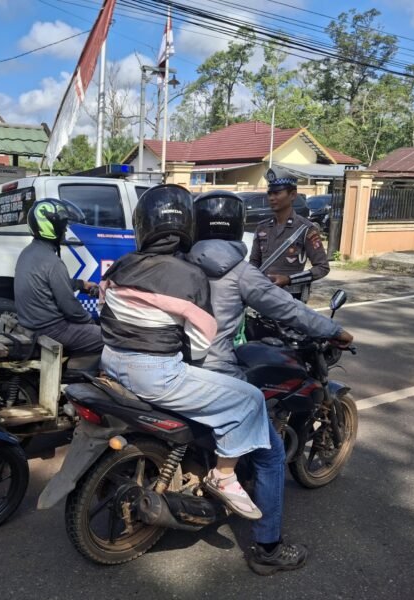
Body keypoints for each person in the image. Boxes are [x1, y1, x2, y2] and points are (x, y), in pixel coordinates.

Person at [186, 190, 354, 575]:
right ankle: (268, 547)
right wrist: (335, 330)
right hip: (216, 368)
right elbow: (288, 307)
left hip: (174, 366)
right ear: (236, 226)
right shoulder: (239, 269)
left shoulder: (179, 260)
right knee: (271, 452)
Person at [99, 184, 269, 520]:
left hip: (110, 362)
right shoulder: (191, 275)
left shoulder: (119, 266)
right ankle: (223, 476)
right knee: (251, 399)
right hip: (157, 375)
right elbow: (200, 343)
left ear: (143, 225)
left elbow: (104, 309)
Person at [14, 198, 103, 355]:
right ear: (52, 228)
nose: (66, 231)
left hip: (32, 324)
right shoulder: (53, 262)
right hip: (53, 329)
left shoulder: (27, 253)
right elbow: (70, 308)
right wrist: (90, 322)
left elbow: (47, 283)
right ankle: (87, 374)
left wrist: (82, 285)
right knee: (109, 338)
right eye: (64, 227)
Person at [249, 167, 330, 302]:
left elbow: (322, 268)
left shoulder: (305, 229)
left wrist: (289, 280)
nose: (272, 198)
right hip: (263, 298)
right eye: (270, 194)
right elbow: (254, 263)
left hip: (291, 300)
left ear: (292, 195)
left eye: (277, 193)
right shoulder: (262, 228)